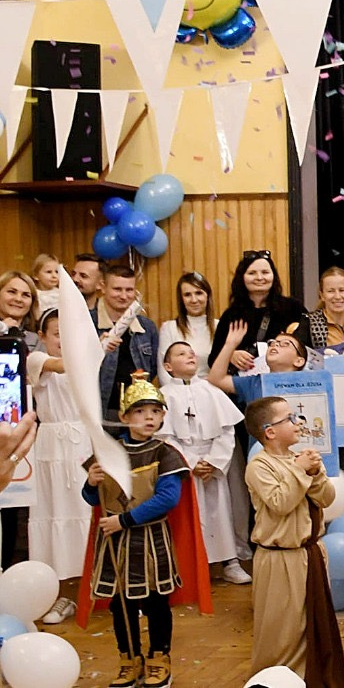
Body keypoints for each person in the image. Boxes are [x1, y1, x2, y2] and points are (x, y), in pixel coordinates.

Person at [79, 372, 211, 688]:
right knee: (120, 605)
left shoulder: (165, 453)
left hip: (150, 540)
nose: (148, 418)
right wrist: (91, 483)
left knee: (155, 603)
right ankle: (129, 659)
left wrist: (124, 520)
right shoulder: (108, 452)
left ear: (163, 416)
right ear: (124, 417)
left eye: (154, 411)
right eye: (139, 411)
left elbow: (167, 498)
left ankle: (158, 658)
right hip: (114, 542)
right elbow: (94, 499)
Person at [243, 395, 344, 688]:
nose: (297, 422)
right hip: (279, 558)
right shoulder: (259, 466)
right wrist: (300, 470)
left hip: (308, 554)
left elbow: (326, 498)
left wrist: (315, 473)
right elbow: (281, 503)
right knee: (282, 632)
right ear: (270, 432)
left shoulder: (296, 458)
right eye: (289, 418)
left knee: (312, 627)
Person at [159, 341, 250, 585]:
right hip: (182, 463)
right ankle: (190, 566)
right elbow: (164, 436)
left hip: (211, 462)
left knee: (220, 512)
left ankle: (230, 562)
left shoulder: (212, 390)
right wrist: (189, 462)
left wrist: (213, 462)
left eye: (191, 352)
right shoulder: (164, 395)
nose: (190, 356)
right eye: (181, 354)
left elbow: (227, 431)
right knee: (189, 515)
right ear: (168, 366)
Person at [27, 309, 90, 625]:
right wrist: (97, 347)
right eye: (57, 333)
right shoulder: (36, 359)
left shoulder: (85, 361)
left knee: (85, 512)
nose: (64, 340)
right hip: (51, 444)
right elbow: (63, 365)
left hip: (83, 442)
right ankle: (60, 594)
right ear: (43, 336)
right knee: (53, 515)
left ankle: (91, 591)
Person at [95, 265, 159, 425]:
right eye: (117, 289)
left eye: (129, 290)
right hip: (100, 410)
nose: (124, 296)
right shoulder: (88, 323)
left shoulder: (147, 327)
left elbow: (153, 368)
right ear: (103, 287)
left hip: (138, 411)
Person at [157, 272, 215, 384]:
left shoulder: (220, 326)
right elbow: (163, 372)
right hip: (177, 391)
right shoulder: (169, 328)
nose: (194, 300)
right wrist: (181, 392)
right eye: (187, 295)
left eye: (199, 293)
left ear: (207, 295)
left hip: (213, 390)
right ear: (181, 299)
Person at [296, 266, 344, 355]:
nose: (337, 296)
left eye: (342, 290)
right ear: (322, 295)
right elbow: (298, 355)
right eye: (330, 291)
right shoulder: (309, 323)